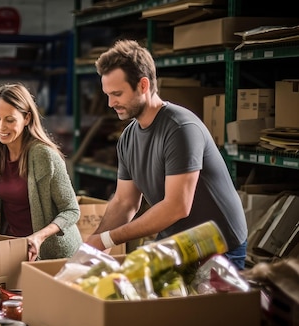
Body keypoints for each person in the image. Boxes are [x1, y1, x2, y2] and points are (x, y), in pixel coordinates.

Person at [85, 39, 248, 269]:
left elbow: (177, 206)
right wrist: (93, 245)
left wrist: (109, 239)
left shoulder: (180, 129)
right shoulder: (128, 137)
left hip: (219, 246)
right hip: (178, 241)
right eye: (107, 94)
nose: (111, 103)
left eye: (117, 93)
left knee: (201, 306)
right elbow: (124, 202)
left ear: (143, 85)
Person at [0, 83, 83, 261]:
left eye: (10, 120)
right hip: (15, 250)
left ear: (27, 118)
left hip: (52, 256)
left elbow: (71, 210)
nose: (1, 127)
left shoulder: (44, 156)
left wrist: (39, 237)